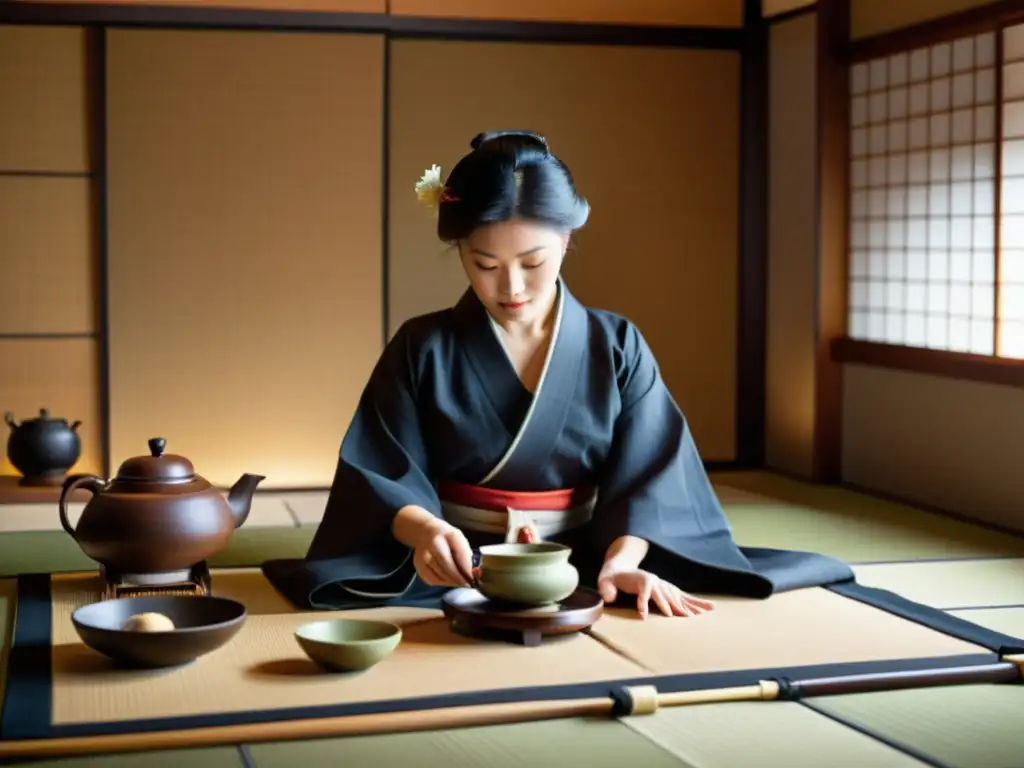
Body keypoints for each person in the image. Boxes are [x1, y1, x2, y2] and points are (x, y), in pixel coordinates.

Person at [262, 130, 854, 619]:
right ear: (461, 250)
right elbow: (379, 465)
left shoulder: (615, 344)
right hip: (451, 567)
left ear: (567, 242)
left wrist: (623, 563)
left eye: (533, 262)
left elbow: (653, 472)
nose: (511, 287)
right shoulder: (423, 345)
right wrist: (422, 533)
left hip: (584, 561)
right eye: (485, 264)